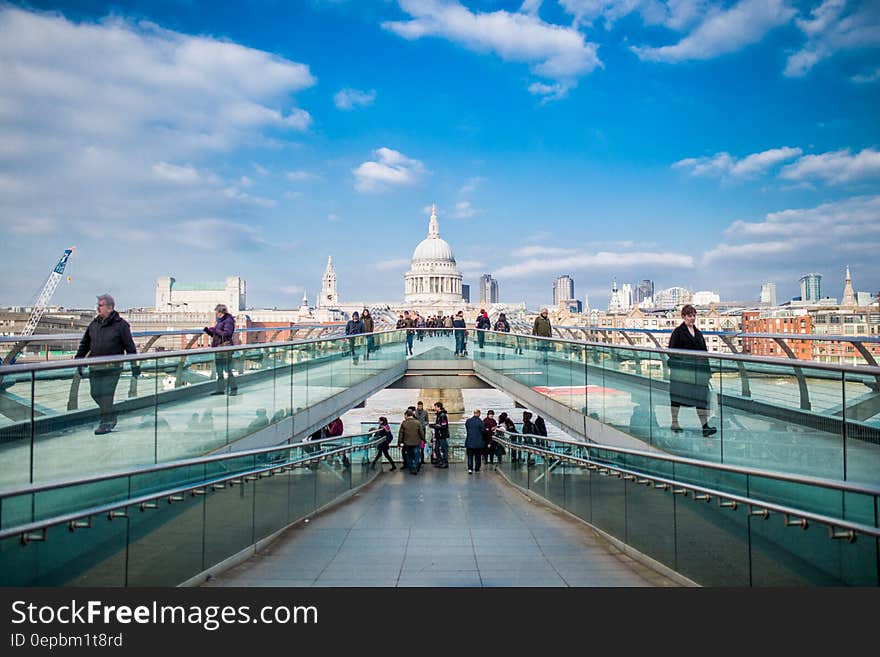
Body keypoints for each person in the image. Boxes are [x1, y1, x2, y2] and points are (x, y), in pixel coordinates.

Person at [75, 293, 139, 435]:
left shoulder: (121, 325)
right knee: (95, 393)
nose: (98, 308)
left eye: (101, 305)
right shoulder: (94, 324)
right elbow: (85, 344)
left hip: (113, 368)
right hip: (95, 366)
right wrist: (79, 361)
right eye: (97, 305)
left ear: (110, 307)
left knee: (106, 395)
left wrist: (135, 366)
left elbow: (130, 347)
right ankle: (111, 415)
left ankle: (105, 423)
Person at [667, 304, 717, 437]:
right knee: (677, 398)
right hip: (682, 373)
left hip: (698, 374)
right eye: (689, 315)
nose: (692, 318)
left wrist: (707, 373)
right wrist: (684, 361)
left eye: (694, 315)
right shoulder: (677, 332)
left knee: (701, 400)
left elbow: (704, 354)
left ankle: (705, 427)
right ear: (683, 317)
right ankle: (674, 422)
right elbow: (671, 351)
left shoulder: (699, 333)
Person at [204, 303, 238, 396]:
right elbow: (217, 334)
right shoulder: (220, 321)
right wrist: (209, 331)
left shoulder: (229, 321)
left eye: (217, 313)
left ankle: (233, 389)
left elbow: (226, 334)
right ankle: (220, 389)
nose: (216, 314)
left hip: (225, 347)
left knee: (227, 369)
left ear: (222, 312)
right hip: (218, 348)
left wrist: (215, 330)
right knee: (219, 370)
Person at [397, 409, 425, 475]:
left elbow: (400, 434)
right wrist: (423, 439)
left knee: (409, 456)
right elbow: (421, 433)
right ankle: (415, 465)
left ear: (406, 415)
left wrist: (399, 443)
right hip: (416, 442)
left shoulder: (404, 423)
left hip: (407, 443)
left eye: (405, 416)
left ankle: (411, 468)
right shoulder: (418, 422)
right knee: (417, 455)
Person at [464, 409, 487, 474]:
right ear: (479, 413)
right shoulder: (480, 422)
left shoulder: (468, 421)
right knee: (478, 456)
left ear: (474, 413)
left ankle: (470, 469)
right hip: (478, 442)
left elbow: (467, 428)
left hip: (469, 441)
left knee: (470, 456)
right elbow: (484, 431)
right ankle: (477, 468)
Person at [432, 401, 450, 468]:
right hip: (438, 435)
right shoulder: (438, 415)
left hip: (442, 435)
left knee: (444, 449)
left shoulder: (442, 415)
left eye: (435, 407)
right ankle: (440, 461)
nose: (435, 408)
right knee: (436, 449)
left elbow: (444, 425)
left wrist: (435, 426)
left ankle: (445, 462)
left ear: (439, 407)